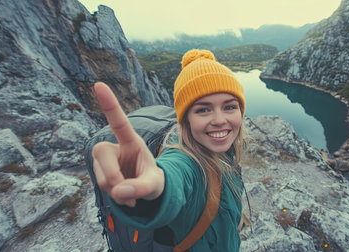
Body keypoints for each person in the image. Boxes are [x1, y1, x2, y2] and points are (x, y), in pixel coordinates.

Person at [91, 49, 246, 251]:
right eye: (203, 110)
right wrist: (150, 191)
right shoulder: (186, 160)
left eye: (229, 107)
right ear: (186, 120)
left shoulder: (227, 151)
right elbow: (173, 177)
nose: (219, 120)